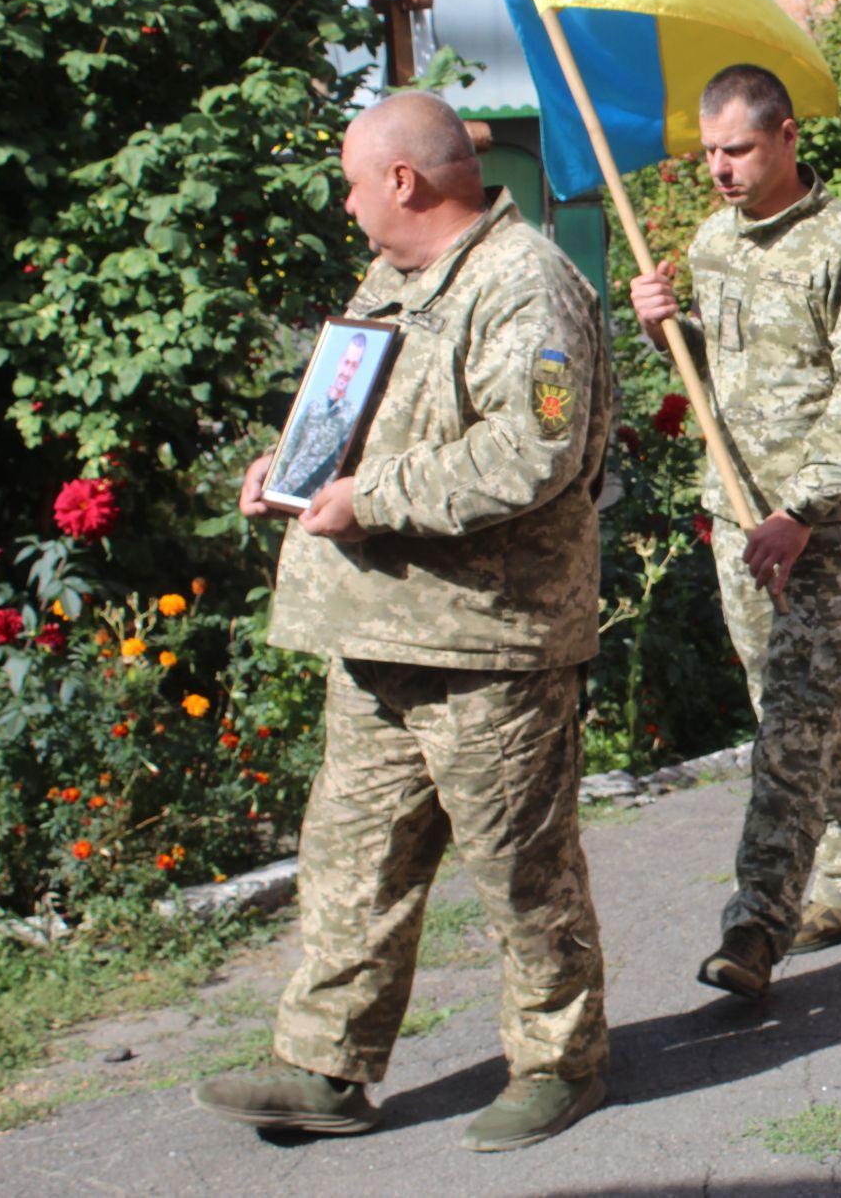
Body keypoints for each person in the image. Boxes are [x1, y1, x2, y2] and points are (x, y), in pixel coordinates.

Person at [198, 92, 614, 1151]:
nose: (345, 206)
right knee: (352, 860)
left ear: (403, 180)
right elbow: (358, 414)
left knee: (521, 870)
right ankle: (324, 1065)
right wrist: (291, 471)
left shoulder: (526, 286)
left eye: (352, 184)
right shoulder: (393, 280)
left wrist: (370, 497)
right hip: (379, 627)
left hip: (489, 640)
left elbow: (536, 447)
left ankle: (559, 1062)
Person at [629, 64, 841, 997]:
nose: (720, 168)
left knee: (793, 720)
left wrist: (802, 511)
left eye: (738, 149)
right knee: (791, 714)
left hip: (816, 531)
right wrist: (666, 328)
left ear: (787, 136)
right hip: (738, 518)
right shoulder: (713, 241)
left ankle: (755, 925)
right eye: (710, 151)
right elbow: (716, 376)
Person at [271, 332, 369, 498]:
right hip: (285, 491)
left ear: (358, 368)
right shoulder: (313, 404)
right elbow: (290, 448)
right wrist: (271, 489)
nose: (346, 371)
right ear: (340, 360)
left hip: (317, 500)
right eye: (346, 362)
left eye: (353, 366)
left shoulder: (353, 416)